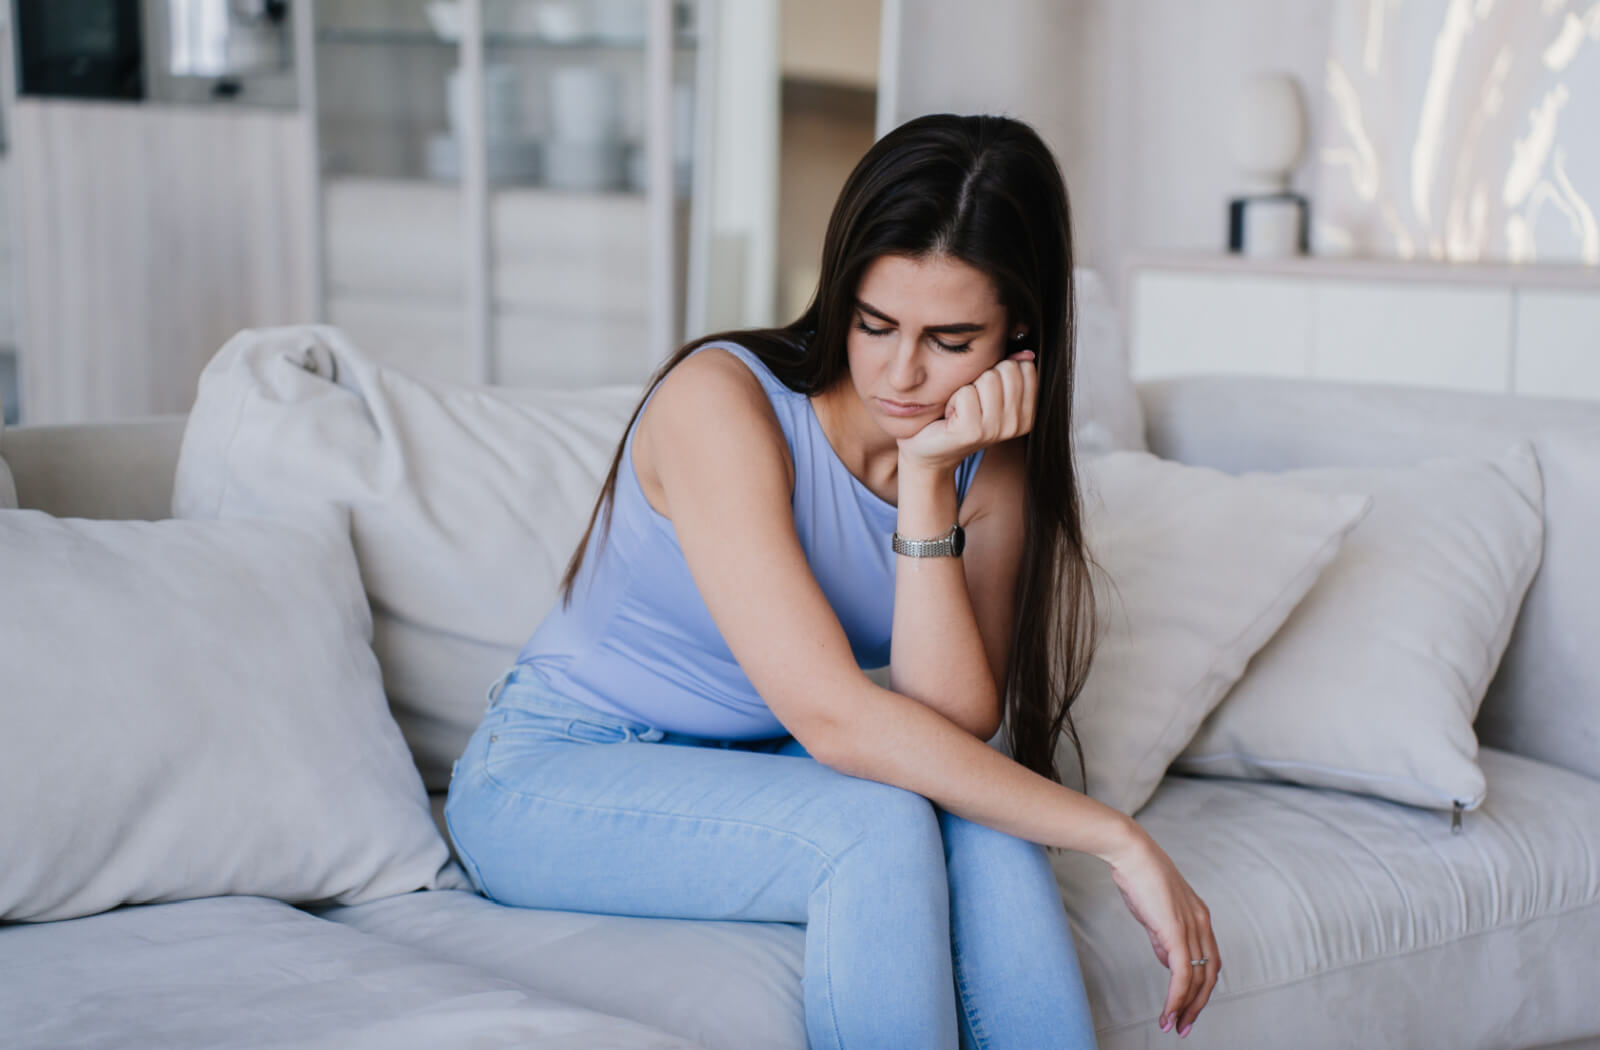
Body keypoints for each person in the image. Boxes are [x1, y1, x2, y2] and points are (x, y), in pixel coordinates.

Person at [445, 113, 1219, 1049]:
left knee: (988, 823)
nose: (901, 372)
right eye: (875, 323)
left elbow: (952, 719)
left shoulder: (979, 455)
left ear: (1018, 334)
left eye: (951, 338)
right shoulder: (720, 404)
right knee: (873, 830)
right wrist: (1115, 836)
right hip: (553, 772)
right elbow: (833, 720)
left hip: (756, 768)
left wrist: (929, 484)